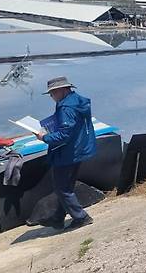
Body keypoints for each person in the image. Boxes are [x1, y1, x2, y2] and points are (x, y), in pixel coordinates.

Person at [33, 76, 96, 231]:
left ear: (61, 90)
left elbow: (65, 134)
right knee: (66, 185)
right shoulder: (77, 101)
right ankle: (57, 218)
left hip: (68, 152)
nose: (51, 97)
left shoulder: (66, 108)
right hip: (79, 148)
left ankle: (81, 217)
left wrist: (44, 137)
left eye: (52, 93)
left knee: (62, 188)